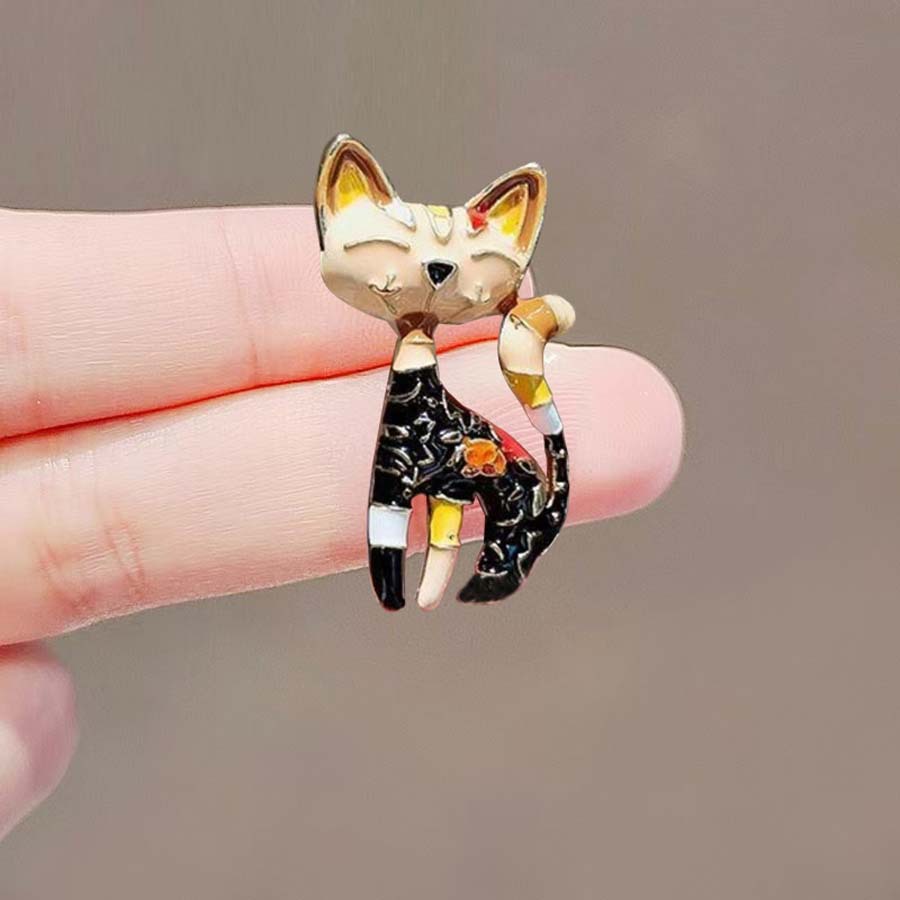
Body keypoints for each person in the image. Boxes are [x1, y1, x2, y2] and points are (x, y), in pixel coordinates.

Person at [0, 205, 683, 838]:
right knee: (404, 490)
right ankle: (425, 568)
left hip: (496, 479)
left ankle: (479, 557)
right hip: (448, 448)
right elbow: (390, 487)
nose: (433, 270)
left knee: (443, 492)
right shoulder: (408, 385)